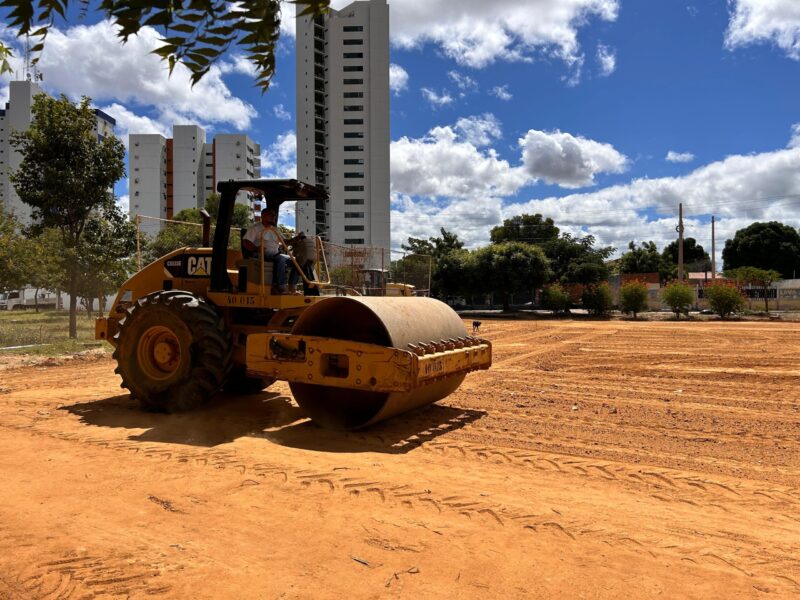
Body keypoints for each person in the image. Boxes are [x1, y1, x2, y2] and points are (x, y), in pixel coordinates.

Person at [242, 207, 301, 294]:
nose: (274, 217)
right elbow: (246, 242)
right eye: (271, 215)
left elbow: (285, 242)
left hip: (275, 254)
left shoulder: (275, 229)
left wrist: (297, 238)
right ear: (263, 216)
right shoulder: (255, 228)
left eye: (274, 215)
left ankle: (292, 286)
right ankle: (282, 287)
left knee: (297, 261)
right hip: (262, 255)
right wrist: (256, 248)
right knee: (280, 259)